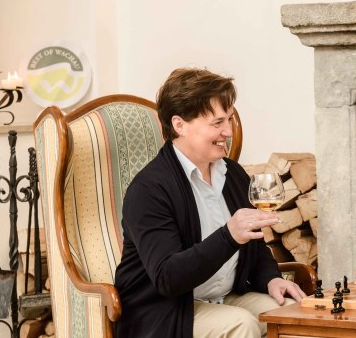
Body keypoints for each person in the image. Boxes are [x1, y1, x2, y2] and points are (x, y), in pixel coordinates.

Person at [114, 68, 306, 338]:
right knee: (242, 325)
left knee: (293, 314)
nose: (228, 131)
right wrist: (229, 235)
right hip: (167, 310)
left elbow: (255, 244)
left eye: (228, 119)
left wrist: (271, 278)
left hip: (226, 297)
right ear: (179, 125)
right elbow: (167, 278)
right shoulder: (149, 189)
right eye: (217, 123)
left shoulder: (232, 174)